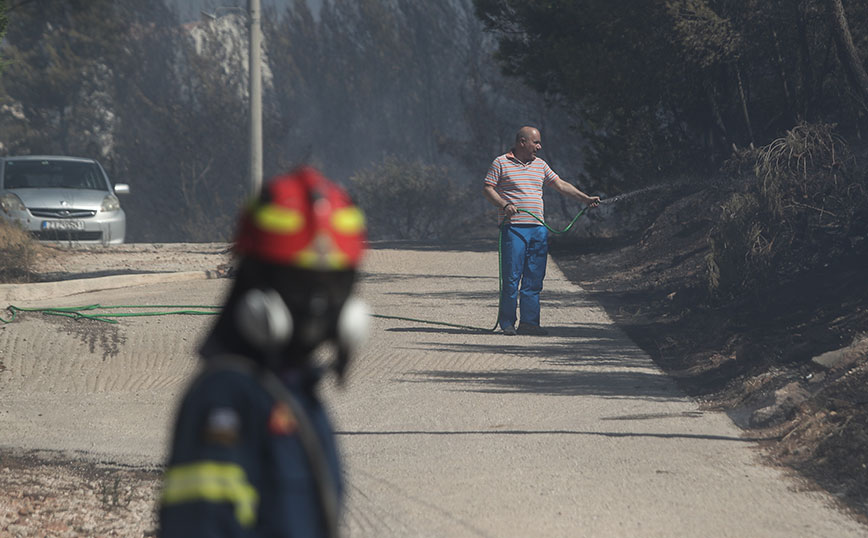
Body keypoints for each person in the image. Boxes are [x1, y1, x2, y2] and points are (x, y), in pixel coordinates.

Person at [159, 166, 369, 538]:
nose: (318, 304)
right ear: (255, 284)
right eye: (300, 283)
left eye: (334, 283)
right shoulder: (226, 398)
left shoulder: (292, 390)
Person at [483, 126, 600, 336]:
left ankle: (529, 323)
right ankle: (507, 323)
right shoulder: (500, 163)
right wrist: (504, 205)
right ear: (522, 142)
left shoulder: (541, 165)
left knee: (534, 277)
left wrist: (585, 198)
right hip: (513, 229)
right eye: (535, 142)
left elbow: (561, 185)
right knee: (511, 277)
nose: (539, 146)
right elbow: (488, 188)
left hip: (538, 229)